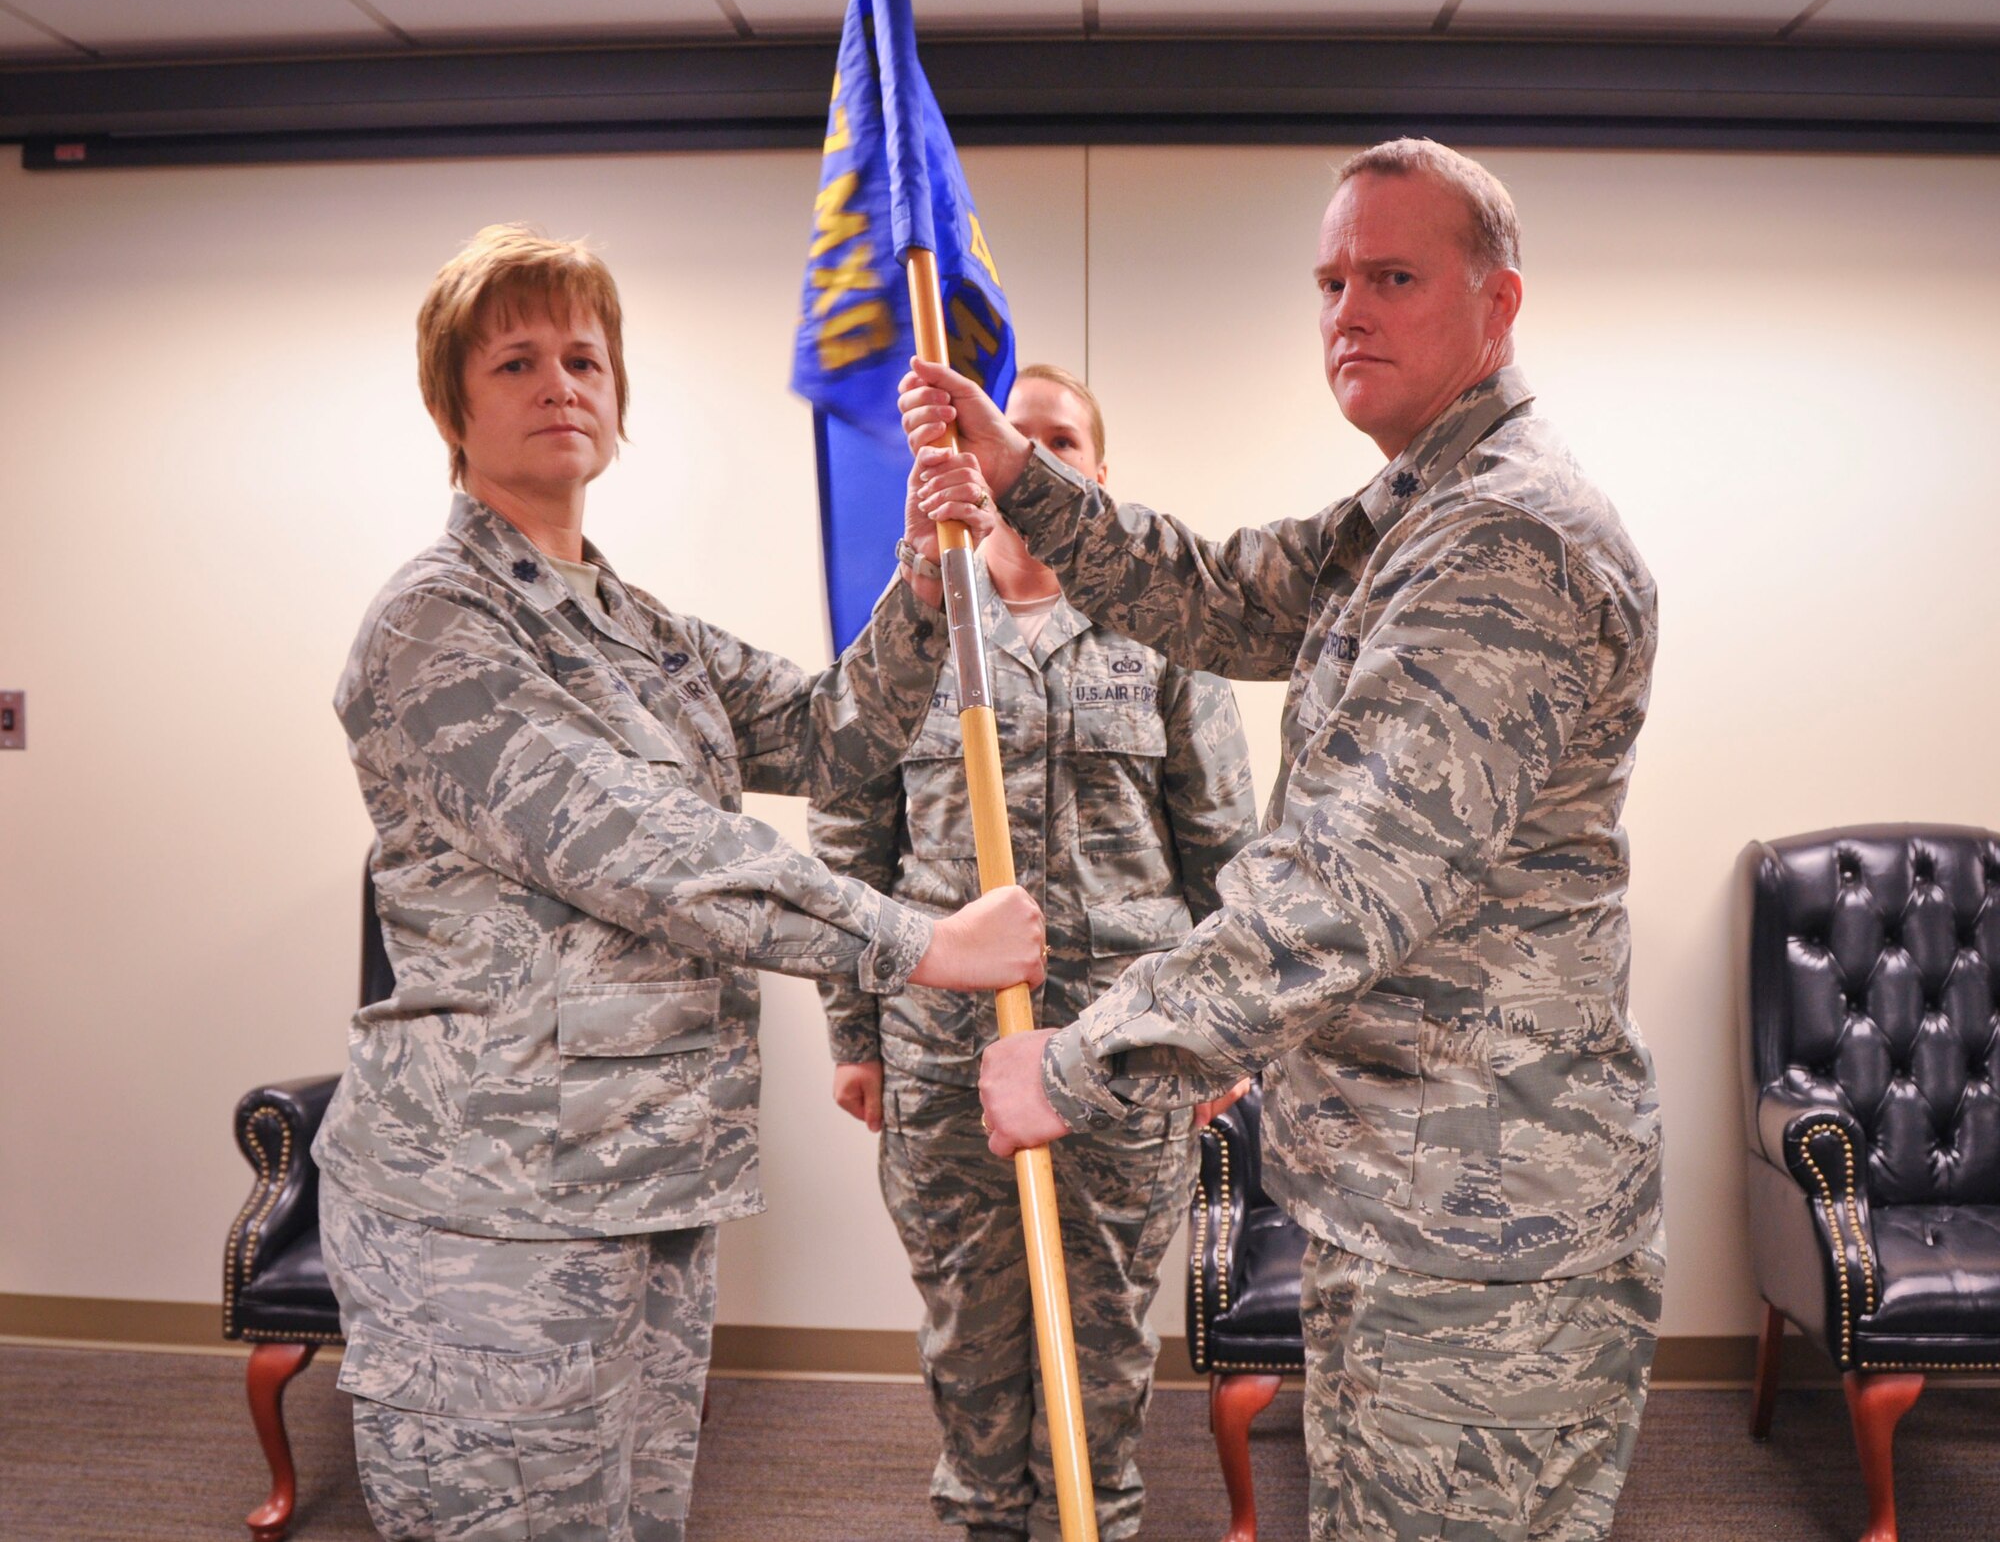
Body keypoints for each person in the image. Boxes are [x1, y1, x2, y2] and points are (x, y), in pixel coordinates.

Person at [902, 140, 1664, 1542]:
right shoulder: (1418, 507)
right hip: (1412, 1195)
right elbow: (1223, 594)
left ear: (1497, 308)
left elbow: (1332, 886)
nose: (1347, 313)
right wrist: (1021, 474)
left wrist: (1078, 1062)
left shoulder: (1506, 538)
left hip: (1480, 1233)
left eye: (1393, 276)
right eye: (1329, 280)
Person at [313, 223, 1044, 1542]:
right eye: (519, 361)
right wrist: (921, 943)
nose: (561, 385)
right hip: (495, 1207)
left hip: (649, 1177)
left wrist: (925, 580)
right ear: (451, 406)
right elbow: (650, 851)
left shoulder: (636, 625)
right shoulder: (436, 623)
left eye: (585, 358)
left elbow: (833, 734)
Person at [811, 364, 1258, 1542]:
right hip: (944, 1059)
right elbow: (847, 843)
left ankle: (1090, 1525)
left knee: (1105, 1335)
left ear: (1094, 474)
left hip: (1115, 1058)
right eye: (1011, 434)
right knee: (967, 1333)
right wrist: (853, 1037)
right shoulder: (912, 632)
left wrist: (1216, 1041)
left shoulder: (1163, 641)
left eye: (1059, 440)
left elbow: (1223, 851)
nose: (1035, 456)